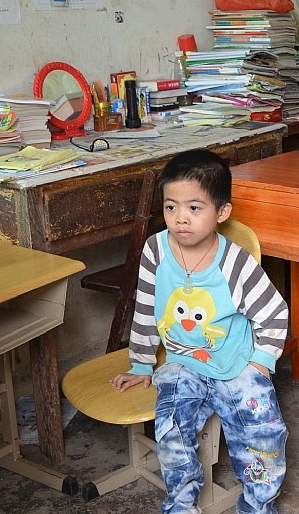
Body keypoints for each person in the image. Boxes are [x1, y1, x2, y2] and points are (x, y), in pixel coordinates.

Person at [110, 150, 289, 514]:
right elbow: (146, 307)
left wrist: (260, 363)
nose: (180, 218)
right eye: (170, 207)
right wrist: (141, 364)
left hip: (236, 365)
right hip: (183, 364)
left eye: (194, 207)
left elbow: (274, 314)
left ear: (222, 212)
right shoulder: (156, 249)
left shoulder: (235, 262)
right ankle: (180, 505)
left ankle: (257, 506)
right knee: (170, 432)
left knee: (263, 438)